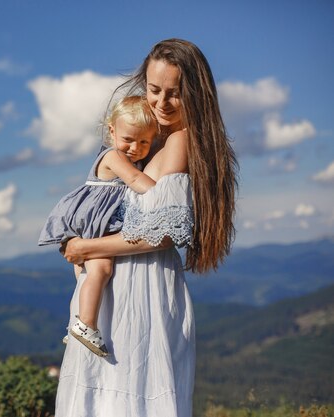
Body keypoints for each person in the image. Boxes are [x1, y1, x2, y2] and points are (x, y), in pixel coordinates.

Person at [54, 38, 238, 417]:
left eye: (175, 93)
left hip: (142, 291)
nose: (161, 103)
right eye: (154, 89)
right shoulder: (155, 140)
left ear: (196, 94)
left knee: (124, 398)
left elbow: (166, 231)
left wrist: (87, 248)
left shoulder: (181, 142)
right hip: (121, 288)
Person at [38, 96, 157, 357]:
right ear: (112, 131)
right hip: (94, 221)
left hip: (98, 221)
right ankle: (86, 324)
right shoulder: (113, 156)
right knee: (101, 268)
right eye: (129, 139)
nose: (135, 148)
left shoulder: (124, 154)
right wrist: (160, 193)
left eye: (144, 141)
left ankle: (76, 322)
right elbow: (135, 179)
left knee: (85, 273)